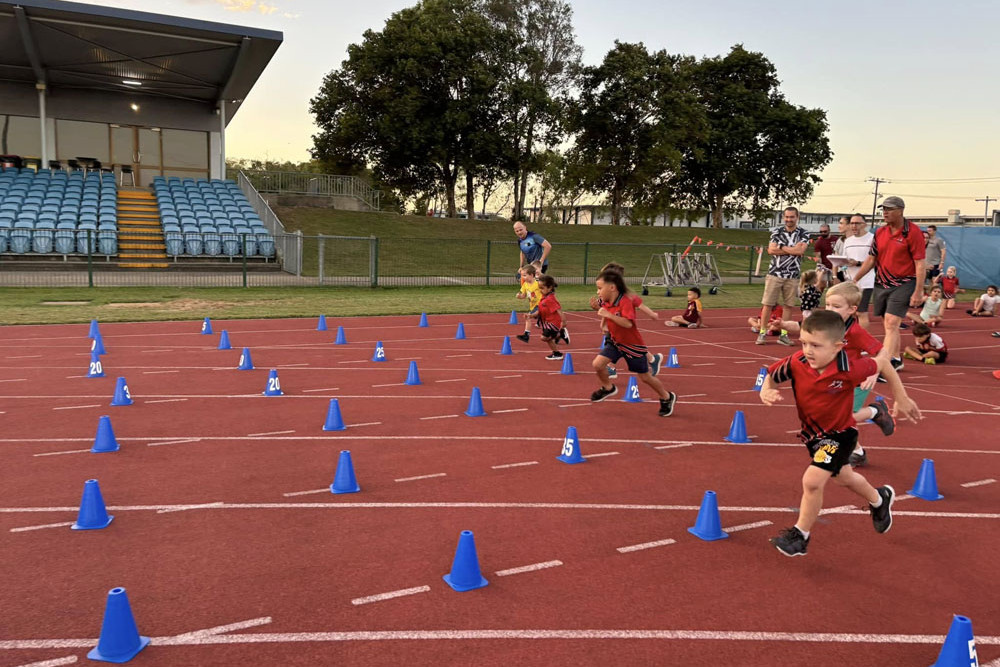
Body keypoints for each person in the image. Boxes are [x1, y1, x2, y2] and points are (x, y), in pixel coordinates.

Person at [759, 310, 921, 557]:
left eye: (815, 345)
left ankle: (800, 536)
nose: (808, 350)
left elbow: (884, 363)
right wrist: (765, 391)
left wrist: (902, 397)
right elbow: (770, 375)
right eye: (804, 342)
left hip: (840, 434)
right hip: (813, 436)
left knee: (812, 481)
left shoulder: (849, 369)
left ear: (837, 346)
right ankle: (879, 498)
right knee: (844, 477)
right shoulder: (797, 362)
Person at [824, 282, 914, 467]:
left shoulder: (855, 331)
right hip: (835, 379)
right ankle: (858, 450)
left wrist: (874, 371)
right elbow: (802, 326)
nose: (830, 309)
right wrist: (784, 324)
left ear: (851, 310)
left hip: (857, 381)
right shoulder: (828, 323)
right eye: (827, 305)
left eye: (836, 306)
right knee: (836, 418)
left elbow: (881, 352)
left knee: (839, 419)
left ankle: (875, 413)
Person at [852, 196, 926, 371]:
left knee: (892, 322)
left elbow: (920, 263)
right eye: (883, 209)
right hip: (882, 282)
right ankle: (896, 358)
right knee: (888, 322)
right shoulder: (880, 232)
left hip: (904, 282)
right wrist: (854, 280)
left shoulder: (912, 232)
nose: (885, 212)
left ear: (900, 210)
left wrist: (918, 291)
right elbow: (871, 259)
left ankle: (884, 364)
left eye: (889, 209)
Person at [589, 269, 677, 417]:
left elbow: (628, 324)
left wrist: (607, 314)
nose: (598, 292)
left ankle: (667, 397)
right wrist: (597, 308)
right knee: (597, 364)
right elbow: (601, 306)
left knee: (645, 377)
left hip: (632, 345)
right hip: (615, 342)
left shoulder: (625, 302)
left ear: (612, 287)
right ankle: (608, 387)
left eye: (599, 288)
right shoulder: (605, 300)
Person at [757, 206, 810, 345]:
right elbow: (770, 250)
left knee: (788, 305)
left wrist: (781, 247)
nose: (789, 219)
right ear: (783, 217)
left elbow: (800, 251)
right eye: (786, 217)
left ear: (797, 217)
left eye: (792, 217)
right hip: (775, 272)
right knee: (767, 304)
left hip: (793, 274)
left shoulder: (804, 233)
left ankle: (784, 334)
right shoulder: (777, 231)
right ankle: (762, 333)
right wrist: (792, 250)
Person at [599, 262, 664, 376]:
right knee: (620, 345)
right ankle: (653, 359)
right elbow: (606, 309)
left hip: (624, 326)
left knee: (620, 345)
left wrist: (652, 314)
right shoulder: (607, 294)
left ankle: (611, 367)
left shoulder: (627, 296)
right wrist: (603, 323)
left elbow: (641, 305)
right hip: (615, 327)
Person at [841, 214, 875, 329]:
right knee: (852, 313)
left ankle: (865, 343)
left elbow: (875, 261)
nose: (854, 226)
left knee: (861, 312)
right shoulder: (848, 241)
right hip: (850, 281)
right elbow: (845, 260)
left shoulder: (872, 238)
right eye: (852, 223)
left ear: (864, 225)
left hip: (866, 282)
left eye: (857, 223)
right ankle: (854, 339)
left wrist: (858, 263)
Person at [531, 274, 566, 361]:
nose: (540, 290)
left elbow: (559, 310)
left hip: (553, 323)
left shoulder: (550, 299)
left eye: (542, 288)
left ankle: (559, 334)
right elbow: (539, 311)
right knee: (548, 339)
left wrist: (564, 322)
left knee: (544, 338)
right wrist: (530, 315)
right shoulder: (544, 297)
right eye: (539, 288)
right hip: (547, 323)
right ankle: (556, 353)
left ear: (550, 288)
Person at [515, 264, 542, 343]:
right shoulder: (525, 285)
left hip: (540, 305)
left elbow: (545, 290)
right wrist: (519, 296)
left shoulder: (538, 283)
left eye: (524, 275)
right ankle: (560, 332)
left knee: (528, 317)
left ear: (531, 275)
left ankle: (526, 335)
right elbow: (524, 295)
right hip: (533, 306)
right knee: (546, 323)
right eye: (522, 275)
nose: (523, 277)